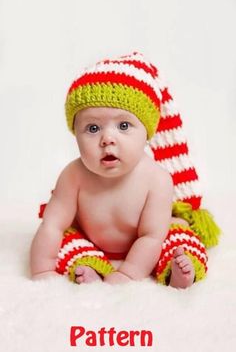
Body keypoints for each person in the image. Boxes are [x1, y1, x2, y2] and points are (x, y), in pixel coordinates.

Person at [30, 52, 220, 288]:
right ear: (75, 133)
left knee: (179, 237)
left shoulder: (156, 180)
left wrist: (128, 274)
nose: (107, 138)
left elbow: (151, 236)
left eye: (123, 125)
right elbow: (52, 225)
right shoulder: (73, 175)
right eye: (92, 128)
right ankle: (89, 267)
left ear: (146, 133)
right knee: (67, 239)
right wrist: (42, 271)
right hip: (92, 240)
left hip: (146, 245)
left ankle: (178, 271)